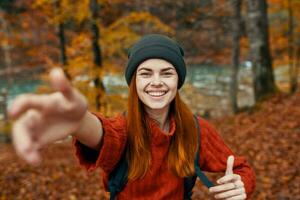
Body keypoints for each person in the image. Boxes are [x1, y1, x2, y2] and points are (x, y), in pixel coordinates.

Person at [9, 34, 255, 199]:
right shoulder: (122, 130)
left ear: (178, 79)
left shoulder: (196, 129)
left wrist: (241, 185)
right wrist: (78, 121)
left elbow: (242, 168)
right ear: (133, 81)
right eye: (146, 73)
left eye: (166, 73)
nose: (156, 82)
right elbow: (101, 132)